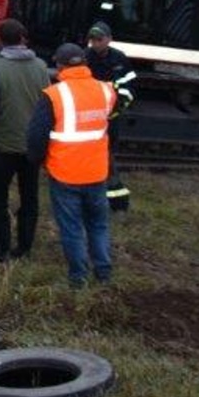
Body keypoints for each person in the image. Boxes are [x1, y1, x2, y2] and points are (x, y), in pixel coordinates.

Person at [27, 42, 117, 287]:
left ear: (59, 65)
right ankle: (104, 272)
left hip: (65, 173)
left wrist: (36, 160)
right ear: (85, 63)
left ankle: (78, 278)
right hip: (97, 172)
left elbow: (36, 136)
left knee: (72, 226)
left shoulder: (54, 94)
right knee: (98, 224)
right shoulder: (106, 91)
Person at [0, 18, 49, 261]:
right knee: (30, 197)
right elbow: (48, 105)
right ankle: (25, 247)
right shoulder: (41, 67)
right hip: (32, 145)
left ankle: (1, 250)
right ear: (23, 38)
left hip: (3, 145)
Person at [85, 21, 134, 212]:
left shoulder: (119, 60)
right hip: (88, 118)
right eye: (92, 40)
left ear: (109, 39)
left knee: (106, 155)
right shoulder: (85, 57)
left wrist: (113, 112)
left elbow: (127, 91)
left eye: (99, 39)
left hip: (110, 119)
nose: (95, 43)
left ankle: (114, 198)